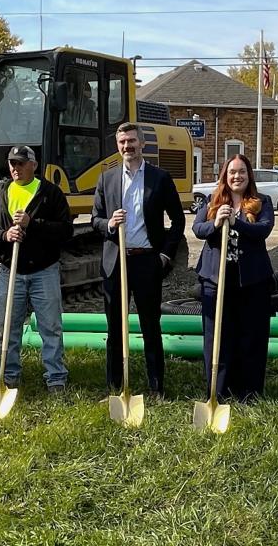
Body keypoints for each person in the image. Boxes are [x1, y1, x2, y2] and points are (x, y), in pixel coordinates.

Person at [92, 123, 185, 399]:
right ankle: (116, 387)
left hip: (147, 262)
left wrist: (166, 254)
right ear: (117, 146)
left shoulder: (159, 178)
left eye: (131, 141)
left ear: (142, 144)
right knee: (115, 328)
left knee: (150, 326)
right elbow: (94, 220)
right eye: (122, 142)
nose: (126, 146)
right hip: (115, 262)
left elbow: (178, 219)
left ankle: (156, 386)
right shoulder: (106, 179)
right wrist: (109, 223)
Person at [0, 145, 73, 393]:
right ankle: (8, 377)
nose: (15, 168)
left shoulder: (50, 193)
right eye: (12, 163)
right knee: (8, 326)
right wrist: (3, 235)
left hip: (44, 271)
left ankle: (56, 377)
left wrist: (34, 224)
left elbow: (65, 231)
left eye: (21, 163)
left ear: (34, 165)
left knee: (50, 327)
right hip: (10, 271)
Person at [193, 155, 274, 402]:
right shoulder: (212, 201)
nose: (236, 176)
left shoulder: (262, 202)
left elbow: (264, 230)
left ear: (249, 176)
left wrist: (237, 223)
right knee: (217, 337)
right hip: (216, 280)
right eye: (232, 172)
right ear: (225, 176)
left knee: (252, 336)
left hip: (251, 282)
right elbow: (198, 229)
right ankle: (218, 392)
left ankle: (249, 393)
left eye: (241, 172)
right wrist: (217, 222)